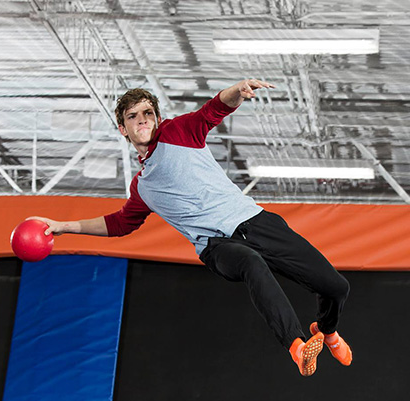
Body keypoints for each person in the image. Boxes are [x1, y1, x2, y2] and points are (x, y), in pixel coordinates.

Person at [36, 79, 351, 376]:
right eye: (133, 116)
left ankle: (327, 331)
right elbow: (119, 223)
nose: (142, 120)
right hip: (218, 247)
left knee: (336, 287)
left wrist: (238, 91)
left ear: (158, 119)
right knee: (250, 263)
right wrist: (63, 226)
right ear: (123, 129)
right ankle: (297, 347)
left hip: (255, 222)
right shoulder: (142, 187)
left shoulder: (179, 132)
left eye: (148, 113)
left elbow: (213, 110)